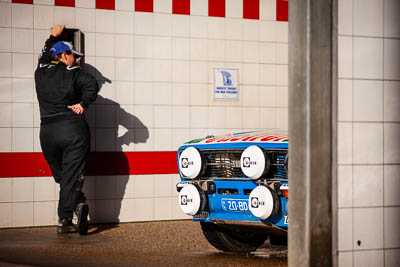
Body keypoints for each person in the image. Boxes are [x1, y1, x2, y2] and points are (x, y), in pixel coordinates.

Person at [35, 25, 99, 235]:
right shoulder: (73, 73)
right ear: (63, 55)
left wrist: (52, 36)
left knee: (64, 177)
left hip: (47, 133)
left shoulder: (41, 71)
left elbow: (45, 54)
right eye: (73, 54)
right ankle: (65, 218)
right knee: (70, 177)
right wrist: (83, 104)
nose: (76, 59)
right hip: (72, 130)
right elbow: (92, 84)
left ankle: (77, 202)